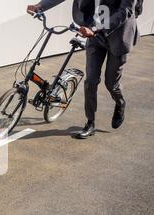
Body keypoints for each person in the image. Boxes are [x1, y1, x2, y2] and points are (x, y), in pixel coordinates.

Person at [27, 0, 139, 139]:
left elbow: (125, 12)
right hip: (95, 36)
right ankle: (90, 123)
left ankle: (120, 103)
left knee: (111, 84)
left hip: (119, 35)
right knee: (90, 81)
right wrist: (41, 6)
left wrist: (96, 28)